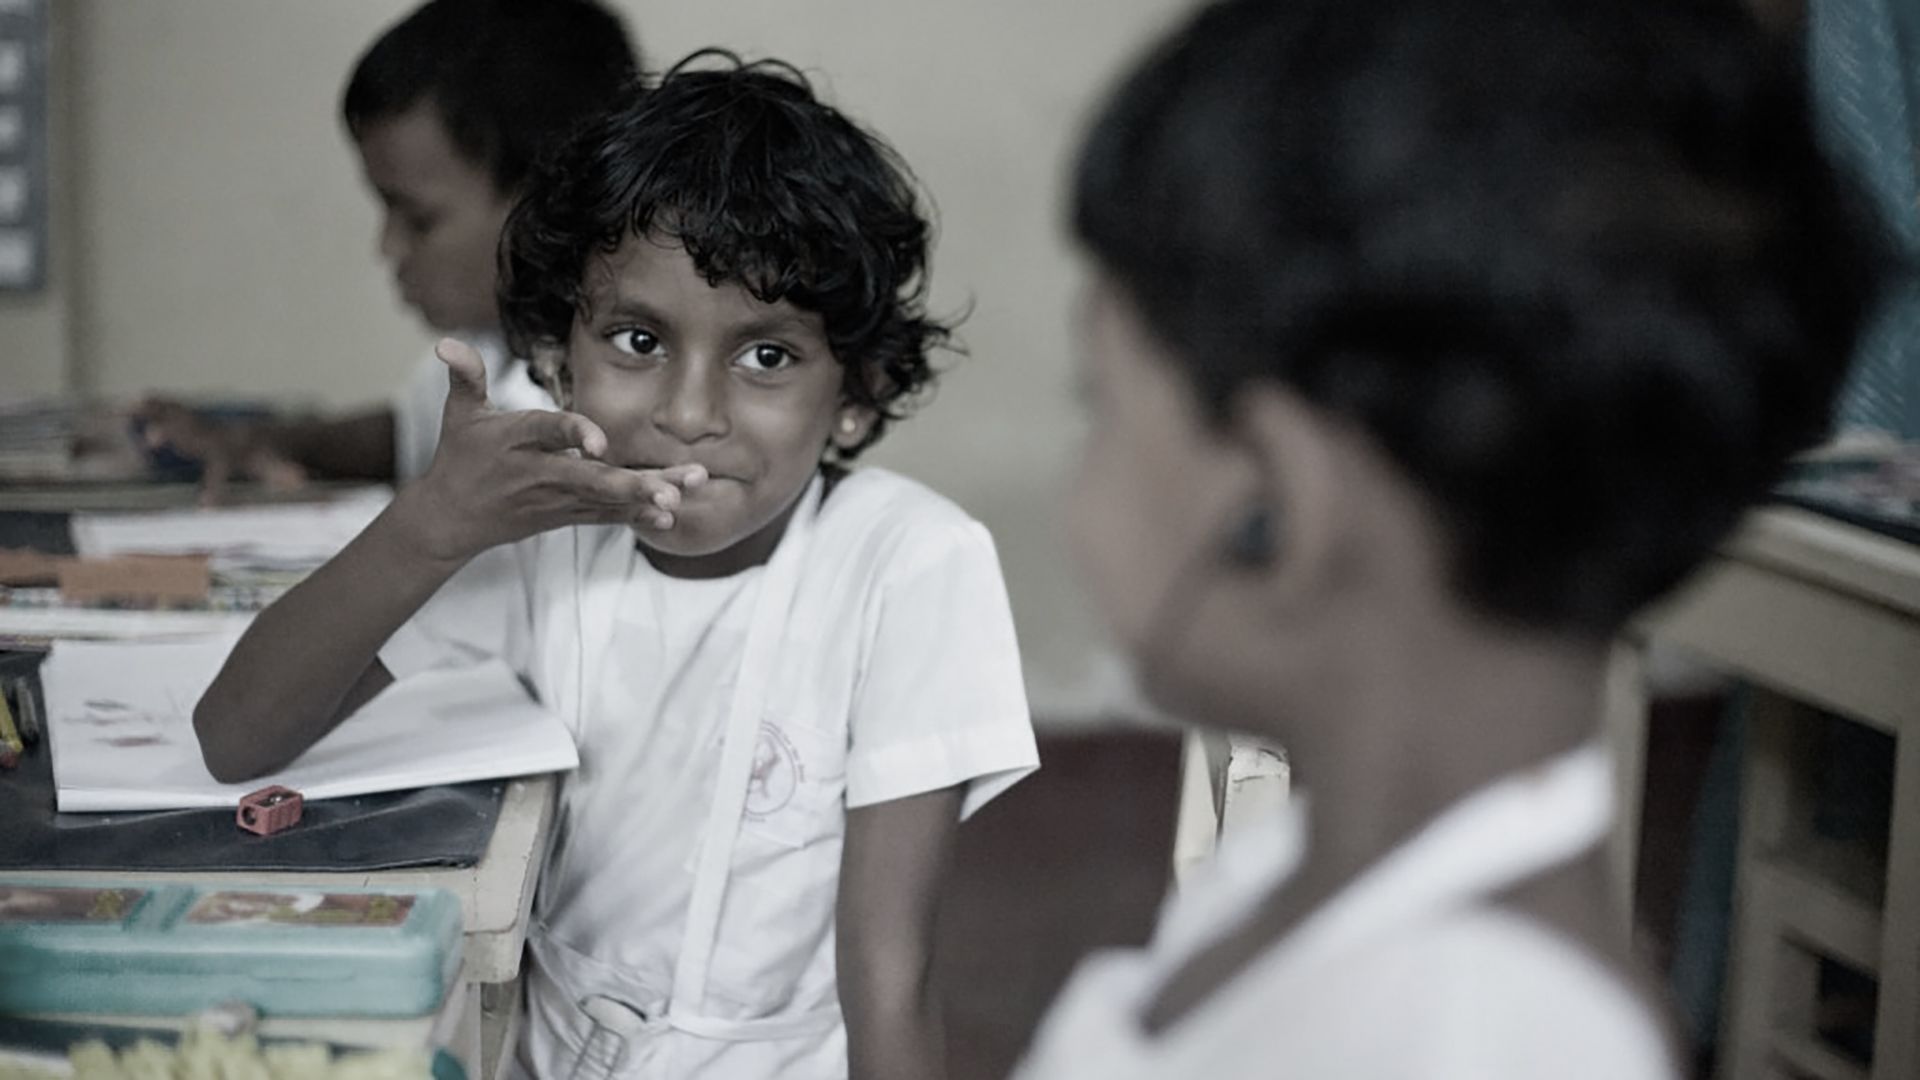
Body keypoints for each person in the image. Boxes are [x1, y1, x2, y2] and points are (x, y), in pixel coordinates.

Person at [1015, 0, 1885, 1077]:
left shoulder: (1492, 1038)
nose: (1074, 489)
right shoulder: (1297, 868)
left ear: (1278, 512)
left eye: (1097, 401)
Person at [192, 52, 1039, 1080]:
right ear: (556, 358)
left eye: (766, 356)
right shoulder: (545, 536)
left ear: (854, 394)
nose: (687, 415)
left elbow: (890, 969)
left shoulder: (908, 564)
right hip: (540, 1053)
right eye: (638, 339)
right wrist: (431, 525)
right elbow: (238, 735)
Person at [138, 0, 638, 494]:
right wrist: (254, 441)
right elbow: (405, 433)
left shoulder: (606, 401)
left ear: (547, 200)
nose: (388, 248)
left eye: (419, 219)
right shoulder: (494, 345)